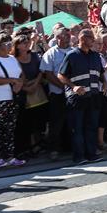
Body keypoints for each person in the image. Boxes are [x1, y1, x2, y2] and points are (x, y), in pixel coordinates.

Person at [57, 29, 106, 164]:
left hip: (93, 97)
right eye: (91, 38)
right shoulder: (71, 55)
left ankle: (91, 154)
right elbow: (61, 75)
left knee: (92, 127)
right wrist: (74, 87)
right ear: (83, 38)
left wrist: (105, 82)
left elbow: (100, 73)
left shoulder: (95, 56)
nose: (94, 41)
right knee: (77, 128)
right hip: (77, 99)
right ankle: (79, 156)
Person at [0, 33, 26, 168]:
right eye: (6, 43)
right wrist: (12, 81)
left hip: (12, 98)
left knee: (10, 129)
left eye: (10, 43)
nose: (9, 46)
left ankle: (10, 156)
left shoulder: (13, 59)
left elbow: (21, 74)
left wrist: (19, 84)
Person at [41, 25, 73, 160]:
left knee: (70, 121)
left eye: (69, 35)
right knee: (56, 122)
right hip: (57, 93)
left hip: (72, 93)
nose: (69, 37)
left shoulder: (74, 51)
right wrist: (62, 85)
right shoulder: (50, 53)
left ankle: (68, 146)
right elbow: (48, 74)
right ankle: (54, 148)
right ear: (58, 37)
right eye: (65, 35)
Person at [13, 33, 47, 158]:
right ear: (17, 46)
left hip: (37, 90)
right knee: (25, 121)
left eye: (28, 41)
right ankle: (27, 146)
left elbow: (41, 71)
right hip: (23, 93)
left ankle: (37, 143)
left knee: (38, 120)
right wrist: (26, 87)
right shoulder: (14, 59)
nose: (27, 43)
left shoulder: (34, 56)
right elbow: (18, 76)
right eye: (23, 42)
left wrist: (35, 84)